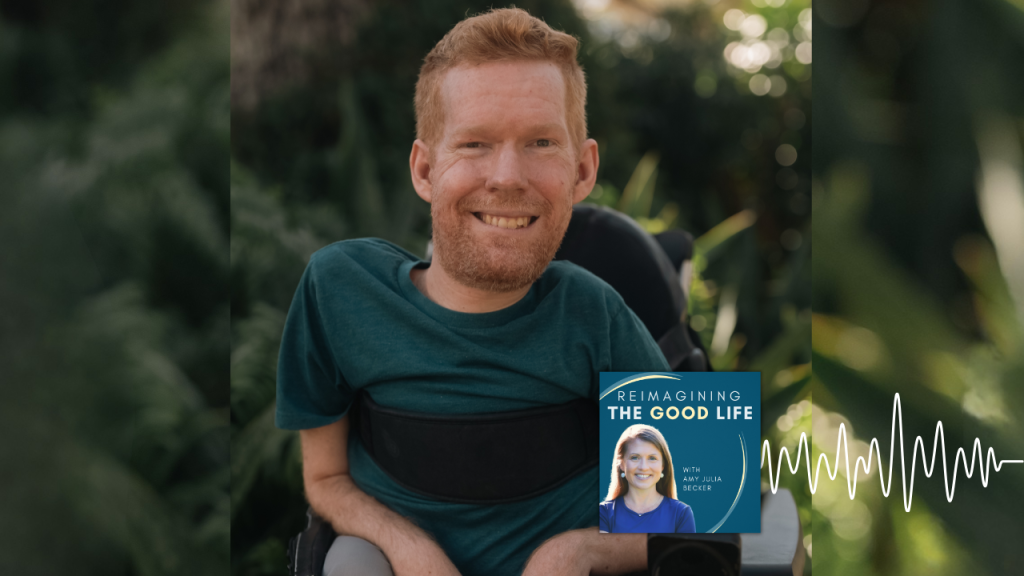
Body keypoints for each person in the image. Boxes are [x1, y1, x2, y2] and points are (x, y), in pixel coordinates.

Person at [275, 7, 671, 576]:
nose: (507, 176)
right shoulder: (338, 289)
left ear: (582, 171)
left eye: (540, 142)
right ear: (424, 169)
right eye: (475, 144)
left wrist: (577, 552)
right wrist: (408, 550)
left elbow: (698, 515)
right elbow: (325, 478)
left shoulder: (597, 313)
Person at [599, 425, 695, 534]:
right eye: (635, 457)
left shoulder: (681, 513)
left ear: (663, 465)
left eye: (652, 458)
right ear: (621, 464)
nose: (643, 467)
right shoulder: (603, 512)